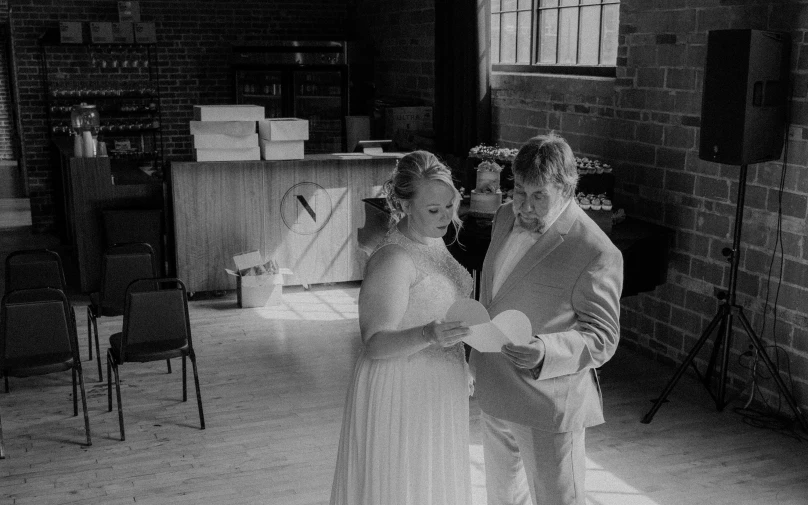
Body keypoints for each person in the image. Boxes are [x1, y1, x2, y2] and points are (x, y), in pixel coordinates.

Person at [469, 133, 623, 505]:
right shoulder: (504, 215)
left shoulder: (596, 250)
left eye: (539, 195)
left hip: (547, 400)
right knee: (502, 498)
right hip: (494, 385)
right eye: (519, 190)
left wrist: (544, 349)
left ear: (567, 189)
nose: (523, 205)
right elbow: (496, 292)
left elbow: (603, 337)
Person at [330, 150, 474, 505]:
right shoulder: (393, 258)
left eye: (450, 205)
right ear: (406, 206)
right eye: (433, 210)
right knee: (404, 485)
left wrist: (462, 361)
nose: (446, 217)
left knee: (431, 482)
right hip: (400, 388)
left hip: (440, 387)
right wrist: (429, 334)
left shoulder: (432, 238)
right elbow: (374, 343)